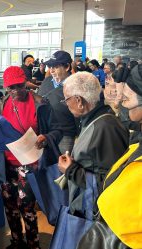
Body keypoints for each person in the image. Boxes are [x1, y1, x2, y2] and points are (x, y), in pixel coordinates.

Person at [77, 64, 142, 249]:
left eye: (126, 97)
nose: (120, 100)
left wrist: (73, 171)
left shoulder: (106, 127)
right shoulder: (136, 141)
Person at [57, 72, 128, 219]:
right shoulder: (94, 120)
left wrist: (71, 170)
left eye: (66, 99)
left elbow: (114, 182)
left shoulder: (106, 128)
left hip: (95, 214)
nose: (65, 103)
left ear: (79, 100)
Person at [0, 66, 43, 249]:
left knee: (27, 205)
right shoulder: (1, 104)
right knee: (10, 206)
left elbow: (54, 131)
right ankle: (16, 241)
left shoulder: (39, 103)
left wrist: (46, 138)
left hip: (29, 161)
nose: (15, 91)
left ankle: (33, 244)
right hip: (6, 162)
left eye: (19, 86)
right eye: (11, 87)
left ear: (26, 84)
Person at [37, 50, 78, 154]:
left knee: (61, 166)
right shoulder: (47, 81)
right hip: (45, 133)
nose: (51, 71)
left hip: (65, 135)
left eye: (55, 67)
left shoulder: (76, 86)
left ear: (67, 67)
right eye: (50, 67)